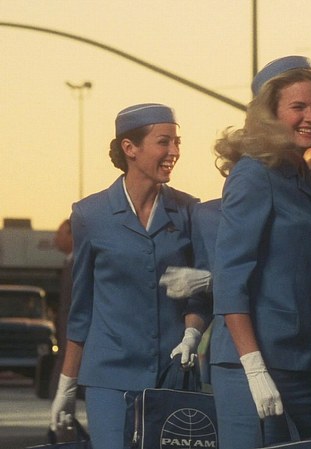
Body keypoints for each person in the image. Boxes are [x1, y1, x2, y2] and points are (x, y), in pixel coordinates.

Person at [49, 103, 210, 448]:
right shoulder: (90, 214)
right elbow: (81, 308)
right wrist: (67, 383)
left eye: (177, 142)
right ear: (130, 148)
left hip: (173, 375)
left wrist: (192, 334)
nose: (174, 152)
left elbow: (199, 292)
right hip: (109, 377)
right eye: (164, 142)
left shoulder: (188, 211)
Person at [208, 55, 311, 449]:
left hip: (300, 363)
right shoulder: (253, 174)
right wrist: (254, 369)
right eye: (298, 107)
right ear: (270, 115)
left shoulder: (302, 177)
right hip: (253, 363)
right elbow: (231, 280)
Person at [48, 218, 73, 399]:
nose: (56, 239)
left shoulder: (77, 263)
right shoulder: (69, 262)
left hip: (71, 333)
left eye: (60, 234)